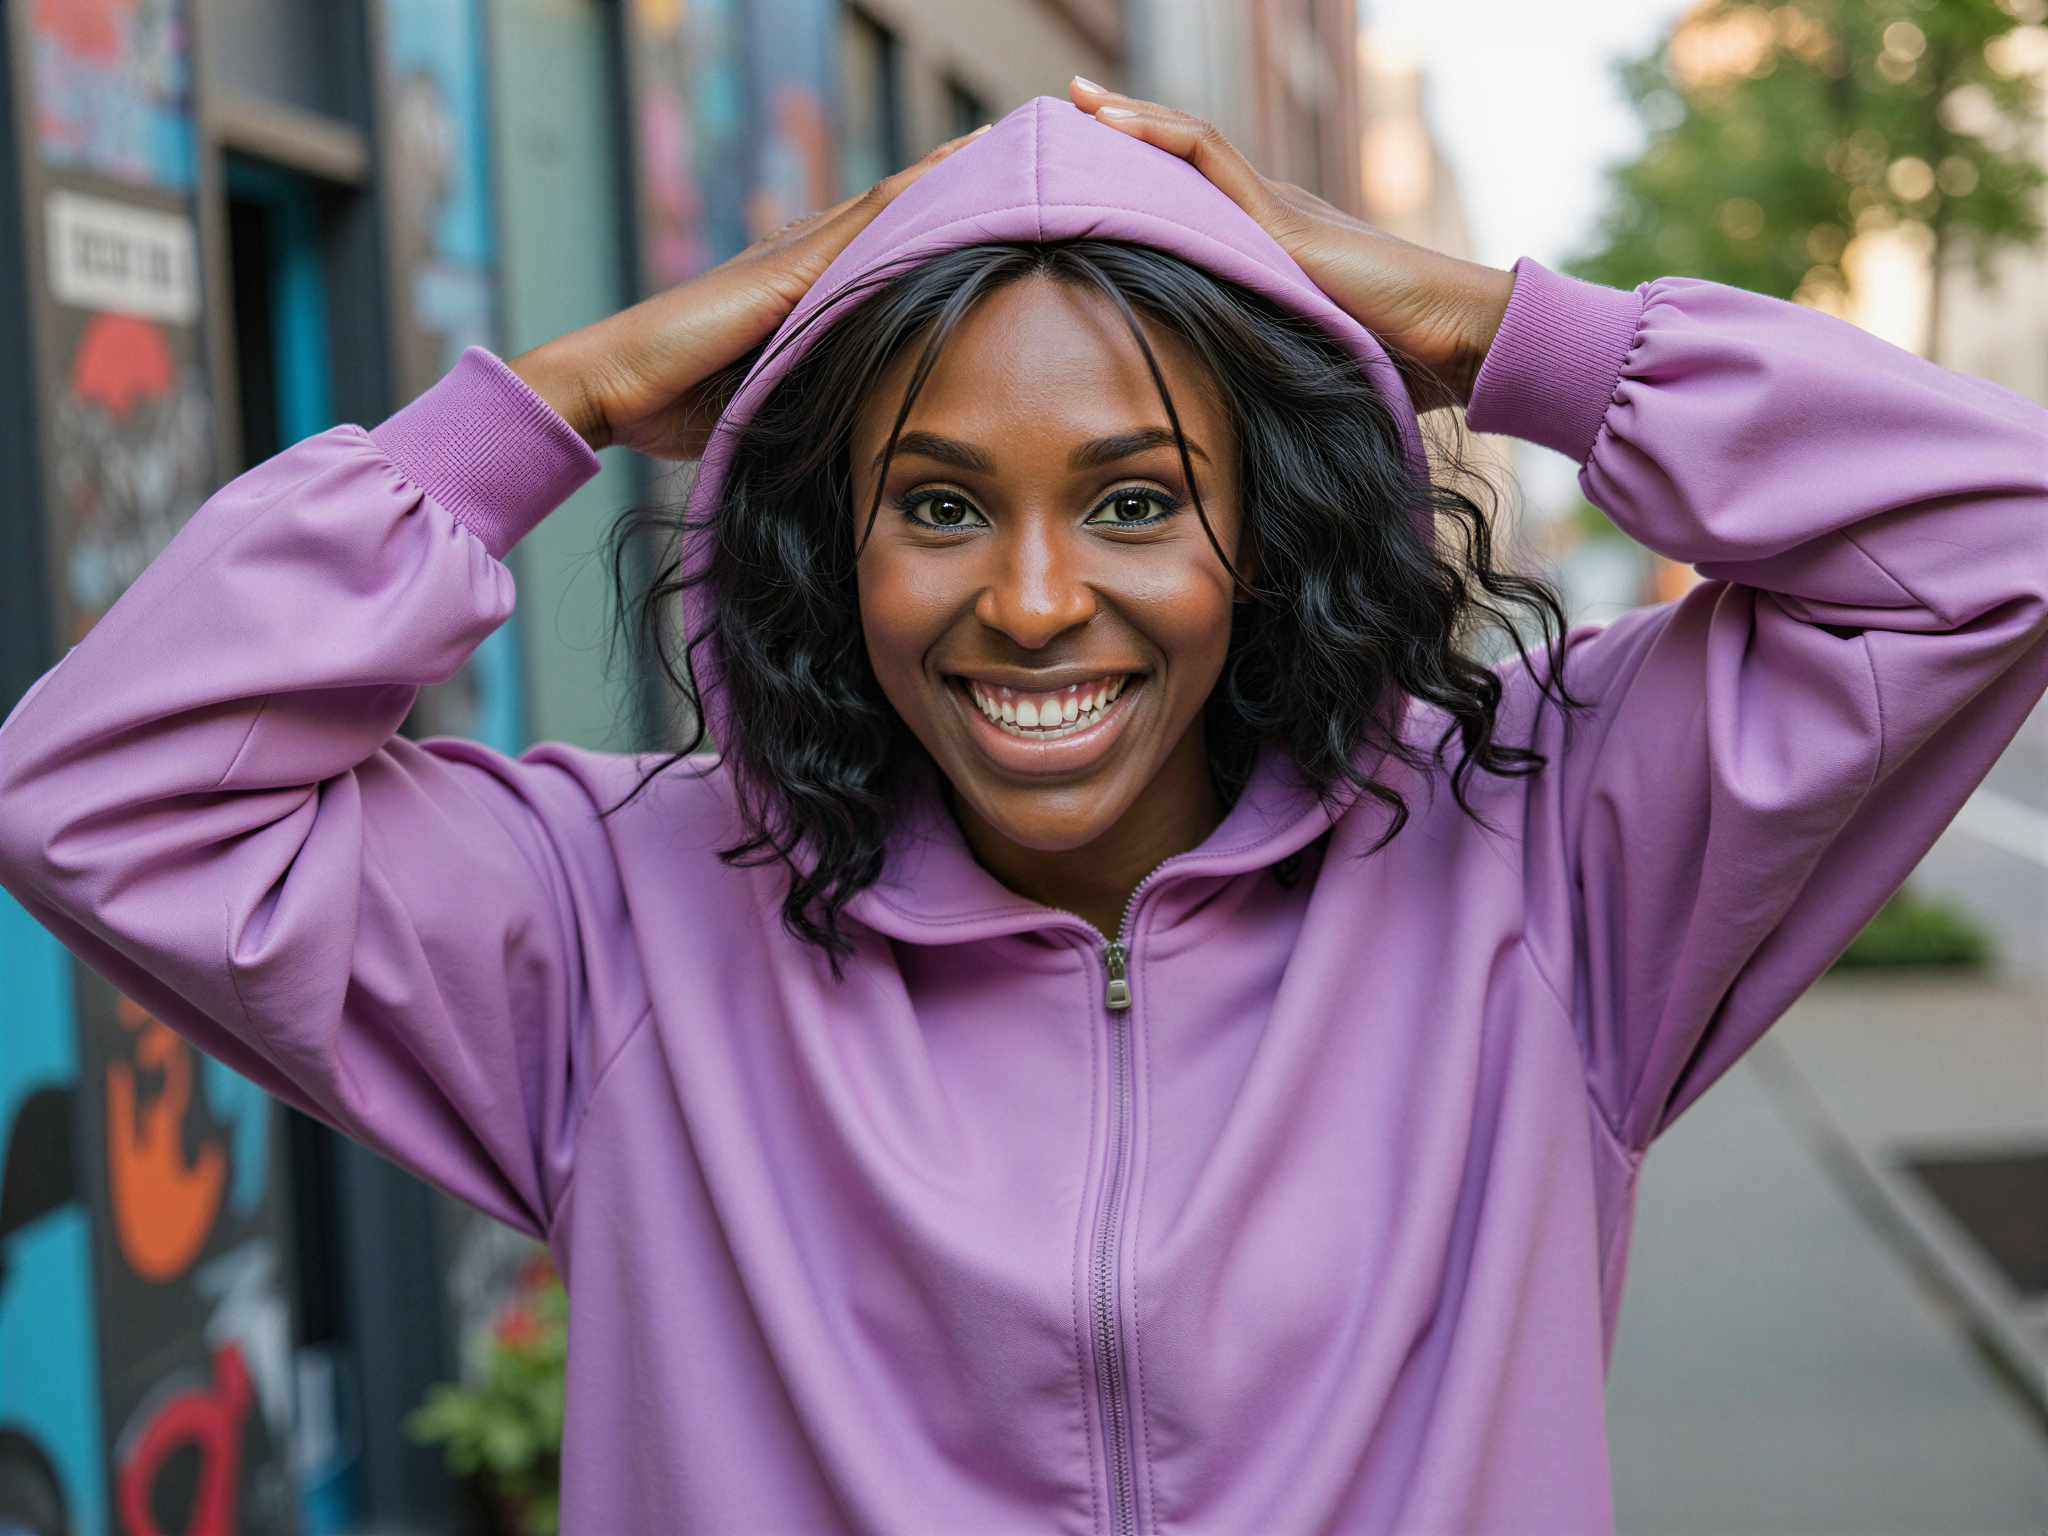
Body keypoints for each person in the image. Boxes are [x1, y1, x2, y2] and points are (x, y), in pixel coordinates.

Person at [2, 83, 2043, 1534]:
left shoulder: (1545, 860)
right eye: (941, 503)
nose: (1038, 597)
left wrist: (1472, 322)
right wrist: (576, 392)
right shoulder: (616, 925)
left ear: (1265, 532)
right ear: (833, 547)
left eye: (1138, 498)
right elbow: (104, 790)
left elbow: (1993, 541)